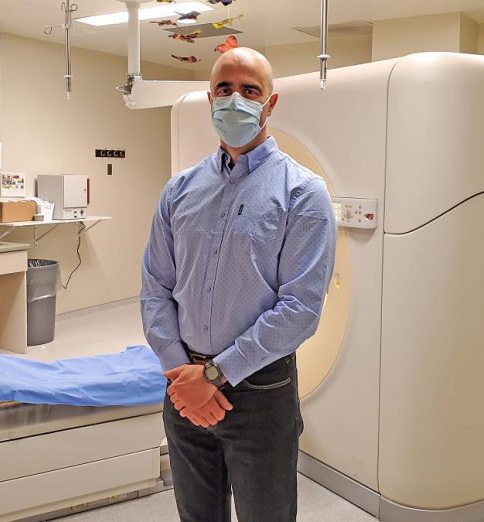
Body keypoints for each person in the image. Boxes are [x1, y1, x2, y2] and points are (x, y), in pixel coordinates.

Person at [140, 47, 337, 522]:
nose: (235, 100)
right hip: (182, 385)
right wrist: (181, 373)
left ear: (270, 104)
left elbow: (300, 309)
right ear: (210, 99)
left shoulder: (302, 193)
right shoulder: (180, 190)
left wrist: (213, 376)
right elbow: (155, 288)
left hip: (259, 393)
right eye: (224, 90)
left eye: (249, 90)